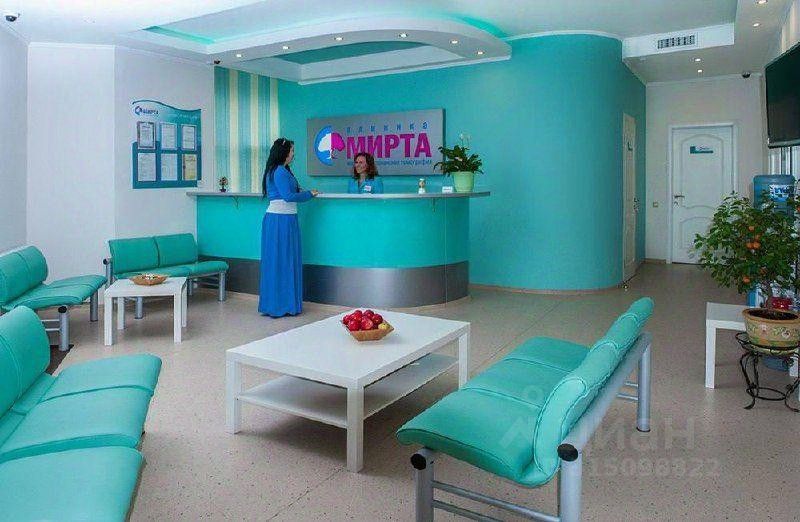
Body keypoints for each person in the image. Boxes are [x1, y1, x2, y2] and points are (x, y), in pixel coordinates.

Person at [259, 138, 318, 317]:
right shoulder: (279, 172)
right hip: (280, 221)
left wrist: (303, 192)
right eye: (292, 150)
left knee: (284, 260)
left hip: (285, 220)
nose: (293, 153)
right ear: (284, 152)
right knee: (281, 261)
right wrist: (309, 194)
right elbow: (288, 196)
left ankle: (282, 304)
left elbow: (290, 192)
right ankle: (279, 305)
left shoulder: (282, 171)